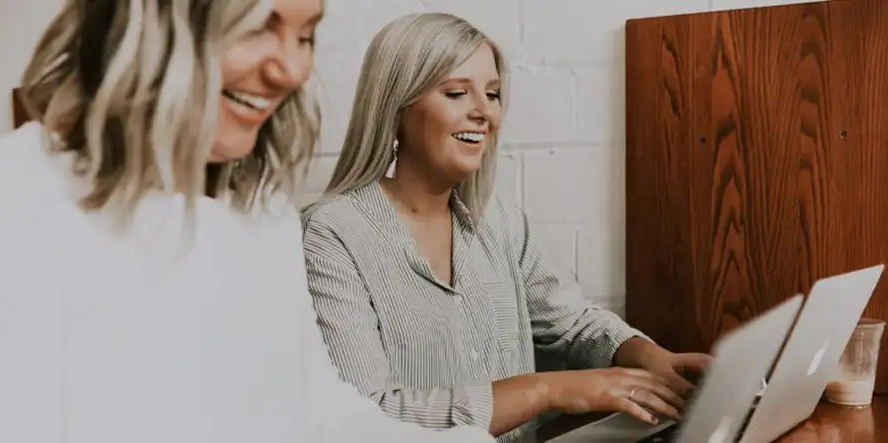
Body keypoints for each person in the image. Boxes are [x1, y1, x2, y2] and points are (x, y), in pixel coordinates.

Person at [0, 1, 495, 442]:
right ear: (156, 19)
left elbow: (326, 420)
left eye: (305, 36)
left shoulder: (264, 219)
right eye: (259, 25)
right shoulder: (1, 198)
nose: (290, 69)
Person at [301, 12, 713, 442]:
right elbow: (369, 417)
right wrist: (546, 390)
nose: (484, 112)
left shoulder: (498, 222)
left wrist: (648, 355)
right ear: (396, 106)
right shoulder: (331, 235)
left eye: (493, 94)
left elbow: (569, 322)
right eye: (457, 92)